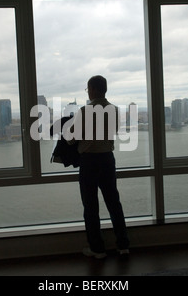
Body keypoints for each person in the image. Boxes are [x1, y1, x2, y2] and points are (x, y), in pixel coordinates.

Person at [66, 75, 130, 259]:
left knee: (91, 205)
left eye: (88, 89)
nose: (88, 92)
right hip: (108, 159)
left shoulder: (85, 111)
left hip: (89, 161)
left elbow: (71, 138)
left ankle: (97, 248)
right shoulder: (115, 110)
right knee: (113, 203)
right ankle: (123, 245)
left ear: (93, 89)